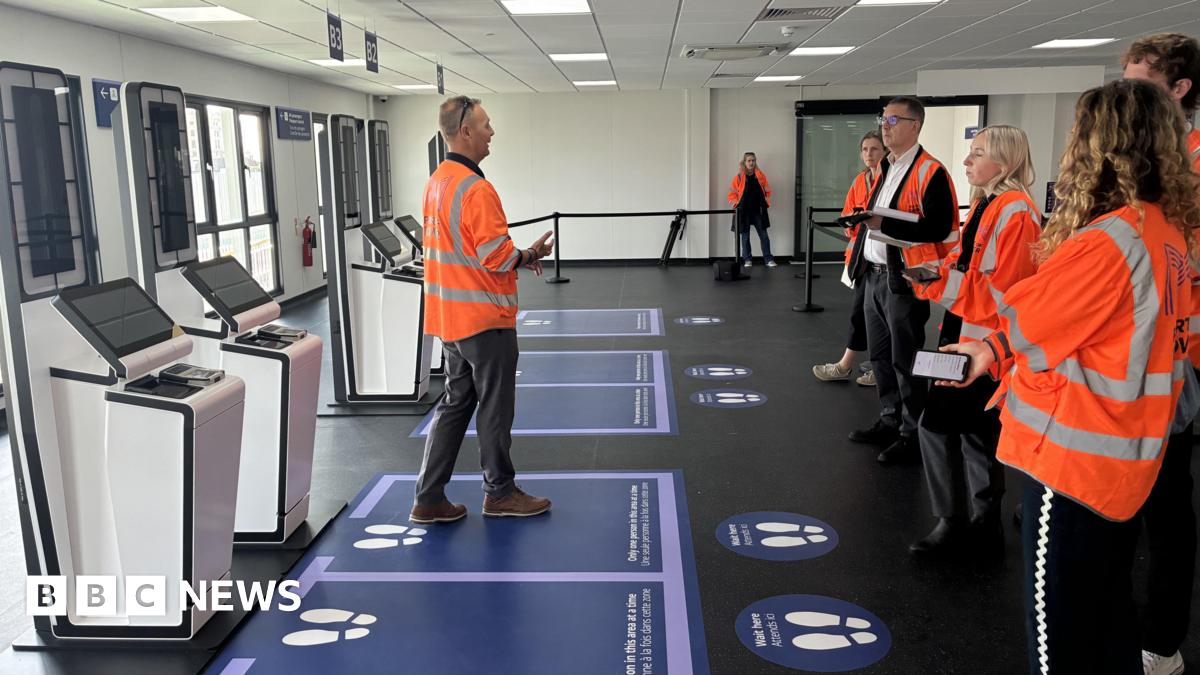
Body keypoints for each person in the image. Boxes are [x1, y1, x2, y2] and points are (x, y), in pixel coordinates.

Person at [942, 79, 1200, 674]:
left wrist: (989, 344)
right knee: (1106, 616)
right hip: (1128, 457)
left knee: (1059, 636)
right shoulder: (1168, 234)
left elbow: (1030, 320)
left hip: (1075, 461)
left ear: (1097, 145)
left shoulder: (1110, 241)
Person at [411, 95, 556, 525]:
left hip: (450, 321)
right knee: (495, 407)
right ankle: (500, 492)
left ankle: (428, 497)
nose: (492, 132)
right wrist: (528, 255)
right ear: (465, 131)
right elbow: (494, 255)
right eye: (487, 124)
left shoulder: (437, 181)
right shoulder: (476, 188)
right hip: (484, 319)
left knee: (455, 405)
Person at [905, 125, 1041, 558]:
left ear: (1004, 162)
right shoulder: (988, 205)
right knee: (977, 432)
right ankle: (984, 525)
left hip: (987, 347)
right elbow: (964, 260)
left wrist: (939, 285)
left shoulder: (1015, 213)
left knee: (935, 425)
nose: (966, 161)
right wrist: (931, 271)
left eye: (977, 153)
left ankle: (953, 521)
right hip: (967, 333)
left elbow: (1003, 293)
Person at [1121, 31, 1200, 675]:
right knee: (1128, 497)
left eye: (1142, 87)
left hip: (1180, 357)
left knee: (1169, 507)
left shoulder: (1193, 164)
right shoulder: (1145, 162)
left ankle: (1163, 641)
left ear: (1179, 91)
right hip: (1132, 358)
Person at [848, 96, 960, 465]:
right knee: (879, 357)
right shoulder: (886, 167)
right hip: (874, 276)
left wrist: (883, 224)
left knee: (905, 359)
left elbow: (940, 226)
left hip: (904, 281)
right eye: (884, 118)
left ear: (915, 125)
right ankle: (889, 419)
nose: (885, 124)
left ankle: (912, 434)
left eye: (894, 119)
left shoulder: (932, 171)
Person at [813, 130, 885, 387]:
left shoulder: (889, 180)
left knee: (877, 318)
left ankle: (855, 366)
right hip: (863, 259)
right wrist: (851, 222)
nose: (869, 154)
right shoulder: (860, 181)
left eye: (875, 149)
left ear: (885, 151)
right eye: (865, 149)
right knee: (863, 314)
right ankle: (859, 366)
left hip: (886, 260)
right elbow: (849, 212)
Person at [728, 152, 776, 267]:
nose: (751, 163)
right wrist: (736, 205)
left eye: (753, 160)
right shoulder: (739, 177)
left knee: (764, 235)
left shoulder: (760, 176)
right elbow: (731, 193)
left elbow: (768, 191)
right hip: (743, 212)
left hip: (758, 211)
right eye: (749, 160)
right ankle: (747, 260)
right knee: (745, 237)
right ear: (744, 162)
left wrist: (766, 203)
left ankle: (768, 259)